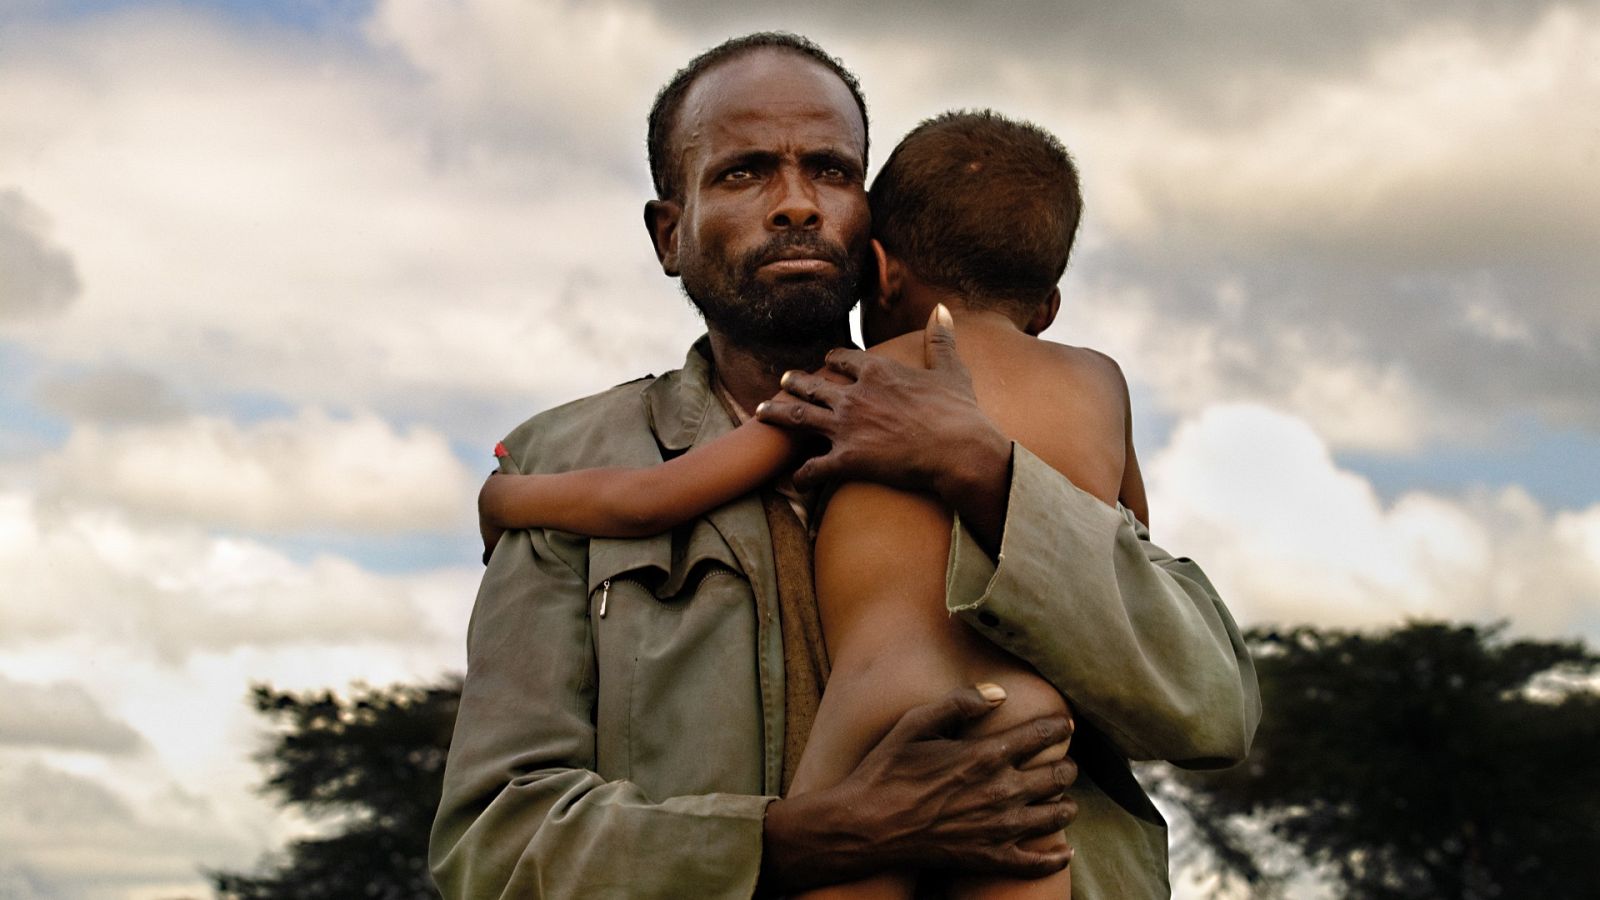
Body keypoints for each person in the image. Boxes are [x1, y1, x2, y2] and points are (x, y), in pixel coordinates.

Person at [431, 33, 1260, 900]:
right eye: (743, 172)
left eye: (830, 170)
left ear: (876, 235)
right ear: (669, 233)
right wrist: (797, 841)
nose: (795, 204)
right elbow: (495, 844)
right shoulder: (568, 458)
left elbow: (1213, 712)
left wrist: (988, 472)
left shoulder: (1008, 438)